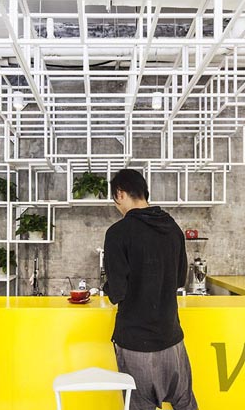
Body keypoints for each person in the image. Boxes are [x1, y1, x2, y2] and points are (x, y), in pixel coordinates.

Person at [103, 169, 198, 410]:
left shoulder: (117, 233)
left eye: (115, 199)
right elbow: (179, 279)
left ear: (120, 193)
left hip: (136, 346)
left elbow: (117, 292)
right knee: (185, 404)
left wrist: (106, 286)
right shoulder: (173, 228)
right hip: (172, 340)